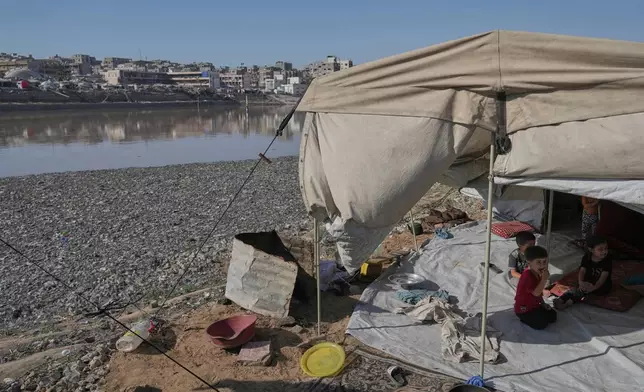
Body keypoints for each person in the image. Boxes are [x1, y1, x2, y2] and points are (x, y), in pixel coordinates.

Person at [554, 235, 612, 310]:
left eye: (606, 248)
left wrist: (593, 287)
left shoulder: (607, 261)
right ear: (591, 250)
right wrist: (581, 282)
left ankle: (567, 304)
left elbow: (603, 278)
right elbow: (582, 270)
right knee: (576, 288)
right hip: (588, 281)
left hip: (601, 286)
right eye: (600, 249)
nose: (604, 251)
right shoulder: (586, 257)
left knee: (582, 291)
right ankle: (561, 299)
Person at [514, 246, 556, 330]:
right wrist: (544, 279)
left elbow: (539, 294)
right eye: (538, 262)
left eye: (544, 262)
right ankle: (523, 319)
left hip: (535, 305)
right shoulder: (527, 276)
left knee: (553, 316)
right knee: (541, 325)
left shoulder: (537, 273)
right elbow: (536, 293)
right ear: (529, 263)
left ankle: (538, 313)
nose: (542, 265)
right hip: (524, 310)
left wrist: (543, 303)